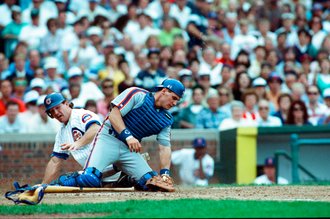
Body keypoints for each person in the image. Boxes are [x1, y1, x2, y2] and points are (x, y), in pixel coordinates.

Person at [52, 78, 185, 192]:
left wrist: (165, 174)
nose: (174, 103)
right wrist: (128, 136)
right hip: (109, 139)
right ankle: (64, 180)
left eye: (177, 100)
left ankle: (126, 178)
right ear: (164, 91)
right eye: (174, 98)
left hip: (128, 150)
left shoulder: (166, 119)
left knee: (149, 183)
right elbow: (114, 115)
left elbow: (165, 147)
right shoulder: (137, 94)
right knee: (90, 178)